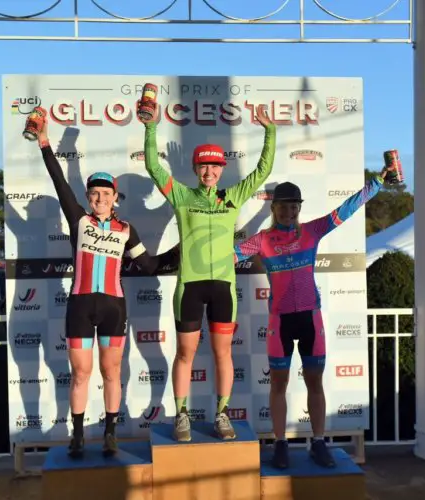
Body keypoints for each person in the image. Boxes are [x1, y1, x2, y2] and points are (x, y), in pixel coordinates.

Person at [34, 116, 180, 458]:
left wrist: (185, 248)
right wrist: (45, 142)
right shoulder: (79, 220)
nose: (100, 198)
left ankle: (111, 434)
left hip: (114, 307)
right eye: (95, 193)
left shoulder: (127, 229)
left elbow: (149, 265)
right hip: (80, 307)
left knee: (111, 371)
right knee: (81, 373)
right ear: (88, 196)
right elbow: (60, 181)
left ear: (116, 198)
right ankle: (79, 435)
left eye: (106, 194)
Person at [233, 166, 396, 468]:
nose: (288, 211)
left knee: (315, 384)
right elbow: (227, 255)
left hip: (310, 319)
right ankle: (280, 443)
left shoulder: (311, 230)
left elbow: (345, 210)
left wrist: (376, 183)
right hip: (280, 321)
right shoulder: (262, 239)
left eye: (293, 206)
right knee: (278, 386)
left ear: (298, 208)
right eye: (283, 206)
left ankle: (318, 442)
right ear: (274, 208)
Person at [139, 96, 276, 442]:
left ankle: (222, 414)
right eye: (204, 167)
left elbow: (263, 172)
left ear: (222, 170)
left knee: (222, 353)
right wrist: (151, 127)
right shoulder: (183, 197)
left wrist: (270, 131)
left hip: (223, 289)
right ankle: (181, 414)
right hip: (190, 286)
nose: (210, 172)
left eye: (215, 167)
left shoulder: (232, 197)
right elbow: (154, 168)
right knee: (185, 353)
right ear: (196, 169)